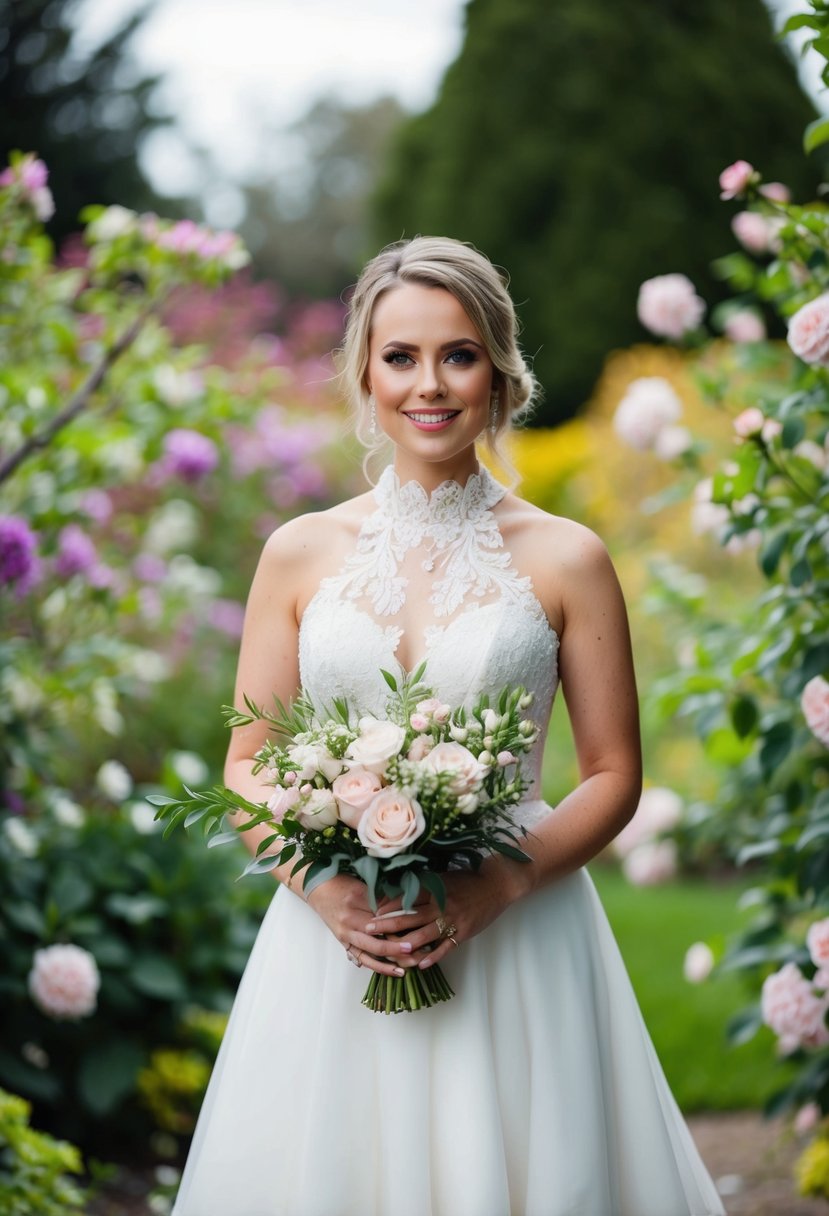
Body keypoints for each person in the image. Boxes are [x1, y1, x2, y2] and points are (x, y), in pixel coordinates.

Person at [172, 236, 725, 1216]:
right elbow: (248, 762)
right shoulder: (297, 553)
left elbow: (611, 773)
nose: (429, 384)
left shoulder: (567, 557)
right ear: (365, 373)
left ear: (499, 371)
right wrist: (322, 887)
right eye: (401, 357)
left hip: (518, 931)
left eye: (458, 354)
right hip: (336, 940)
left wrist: (494, 882)